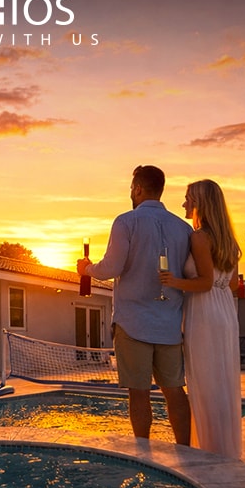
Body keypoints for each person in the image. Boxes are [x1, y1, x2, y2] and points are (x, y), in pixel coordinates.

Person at [77, 165, 193, 444]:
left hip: (133, 323)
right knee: (174, 391)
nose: (131, 192)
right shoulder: (183, 228)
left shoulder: (126, 222)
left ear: (138, 188)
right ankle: (186, 450)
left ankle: (143, 451)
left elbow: (111, 267)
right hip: (169, 324)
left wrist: (87, 269)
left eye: (132, 187)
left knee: (139, 393)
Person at [159, 179, 242, 459]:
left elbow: (205, 283)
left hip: (205, 313)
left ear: (200, 203)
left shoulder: (199, 237)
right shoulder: (228, 240)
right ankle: (223, 446)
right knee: (222, 380)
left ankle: (210, 449)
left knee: (206, 382)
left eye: (188, 198)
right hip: (225, 312)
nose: (184, 203)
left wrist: (174, 281)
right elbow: (231, 284)